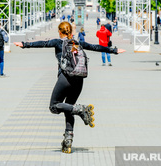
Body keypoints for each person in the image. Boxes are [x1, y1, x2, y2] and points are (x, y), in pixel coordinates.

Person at [14, 21, 125, 153]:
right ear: (71, 31)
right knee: (69, 109)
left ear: (60, 32)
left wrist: (24, 45)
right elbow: (95, 47)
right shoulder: (78, 43)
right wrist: (114, 50)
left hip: (65, 79)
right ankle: (68, 141)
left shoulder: (58, 42)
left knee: (54, 106)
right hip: (79, 79)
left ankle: (80, 109)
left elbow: (43, 43)